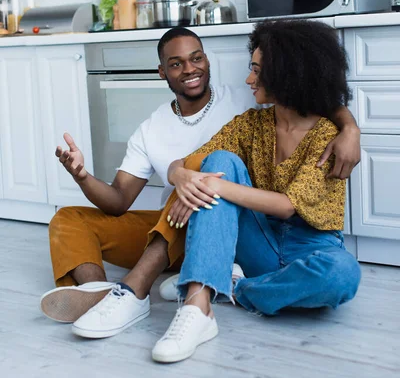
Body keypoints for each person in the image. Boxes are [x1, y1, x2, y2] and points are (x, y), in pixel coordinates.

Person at [40, 25, 360, 340]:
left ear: (207, 60)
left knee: (340, 273)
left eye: (196, 59)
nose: (189, 69)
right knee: (68, 217)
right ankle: (101, 291)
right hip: (194, 224)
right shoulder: (156, 128)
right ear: (162, 72)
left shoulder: (245, 101)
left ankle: (214, 287)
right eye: (176, 64)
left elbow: (310, 90)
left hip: (226, 223)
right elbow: (120, 199)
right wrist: (87, 176)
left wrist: (350, 128)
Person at [151, 19, 362, 364]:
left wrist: (215, 184)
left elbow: (287, 206)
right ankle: (198, 307)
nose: (249, 79)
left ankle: (231, 286)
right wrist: (177, 174)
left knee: (342, 273)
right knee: (220, 160)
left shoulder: (328, 134)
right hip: (258, 240)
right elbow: (192, 161)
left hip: (310, 247)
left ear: (288, 74)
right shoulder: (251, 124)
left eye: (257, 71)